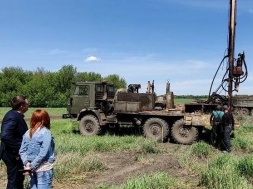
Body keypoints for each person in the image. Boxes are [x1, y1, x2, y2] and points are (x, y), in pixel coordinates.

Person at [19, 109, 55, 189]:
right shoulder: (46, 133)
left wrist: (27, 164)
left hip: (30, 168)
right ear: (45, 120)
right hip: (44, 168)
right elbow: (43, 153)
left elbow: (22, 150)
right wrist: (32, 166)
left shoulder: (27, 132)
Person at [0, 96, 29, 189]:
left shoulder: (15, 115)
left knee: (19, 178)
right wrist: (19, 147)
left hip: (14, 153)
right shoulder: (13, 117)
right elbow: (5, 136)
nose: (28, 106)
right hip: (11, 154)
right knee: (14, 180)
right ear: (22, 106)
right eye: (27, 104)